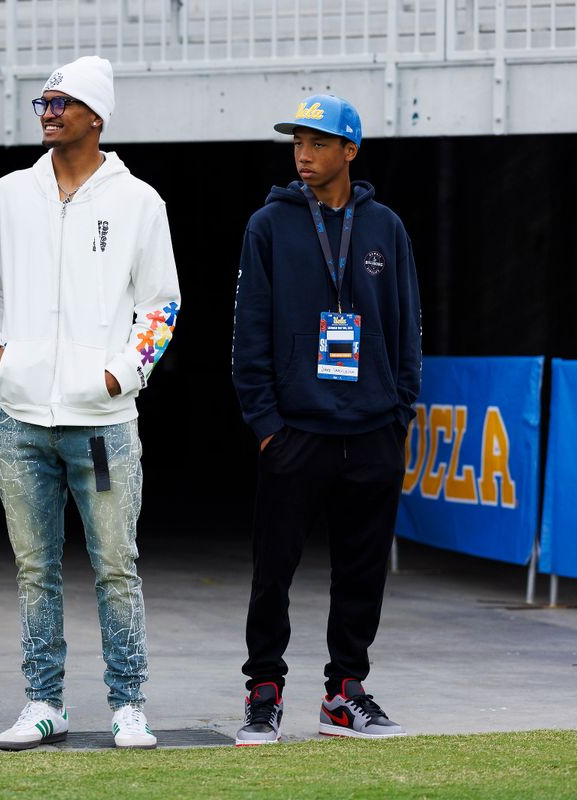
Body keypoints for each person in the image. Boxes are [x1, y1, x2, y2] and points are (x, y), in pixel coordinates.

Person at [0, 56, 181, 751]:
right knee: (35, 569)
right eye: (44, 102)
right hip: (18, 418)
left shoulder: (139, 201)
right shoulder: (8, 195)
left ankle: (129, 704)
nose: (49, 113)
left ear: (96, 115)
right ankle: (43, 702)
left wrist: (119, 376)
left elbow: (161, 305)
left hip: (102, 426)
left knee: (116, 565)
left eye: (62, 103)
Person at [231, 94, 421, 744]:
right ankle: (263, 691)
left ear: (349, 150)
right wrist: (266, 424)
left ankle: (345, 693)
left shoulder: (386, 227)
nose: (303, 155)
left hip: (372, 431)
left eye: (317, 143)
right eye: (297, 143)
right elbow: (249, 330)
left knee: (362, 571)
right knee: (273, 571)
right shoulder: (269, 225)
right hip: (296, 431)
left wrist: (398, 413)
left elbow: (407, 325)